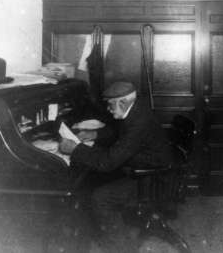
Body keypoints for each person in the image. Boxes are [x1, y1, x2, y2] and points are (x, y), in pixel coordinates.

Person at [59, 81, 176, 251]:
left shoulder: (139, 123)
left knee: (101, 198)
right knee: (94, 177)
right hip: (146, 169)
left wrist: (75, 149)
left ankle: (122, 248)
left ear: (122, 102)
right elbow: (119, 133)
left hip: (153, 180)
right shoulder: (136, 110)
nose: (108, 108)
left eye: (110, 104)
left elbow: (107, 162)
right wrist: (95, 134)